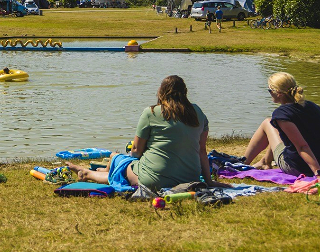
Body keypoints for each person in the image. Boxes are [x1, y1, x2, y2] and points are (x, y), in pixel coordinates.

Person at [68, 75, 223, 191]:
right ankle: (93, 171)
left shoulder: (151, 112)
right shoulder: (198, 112)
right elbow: (201, 150)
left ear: (161, 92)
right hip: (190, 178)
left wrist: (134, 162)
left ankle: (88, 174)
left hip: (153, 180)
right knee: (119, 160)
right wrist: (208, 181)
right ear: (186, 92)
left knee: (120, 161)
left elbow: (135, 151)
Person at [243, 73, 320, 177]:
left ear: (278, 93)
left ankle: (243, 163)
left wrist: (317, 172)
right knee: (275, 125)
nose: (269, 93)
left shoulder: (281, 114)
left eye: (269, 90)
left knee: (267, 122)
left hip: (298, 167)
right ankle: (265, 161)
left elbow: (302, 146)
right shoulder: (312, 106)